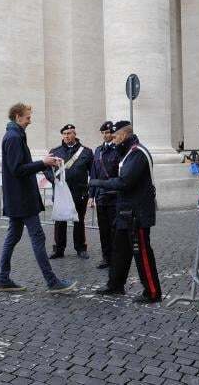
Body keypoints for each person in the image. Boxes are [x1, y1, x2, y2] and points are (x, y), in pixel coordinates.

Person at [0, 103, 75, 293]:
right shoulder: (14, 137)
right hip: (22, 199)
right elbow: (17, 169)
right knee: (37, 237)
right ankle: (52, 281)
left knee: (13, 236)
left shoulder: (15, 136)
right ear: (17, 117)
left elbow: (20, 165)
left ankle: (3, 278)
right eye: (27, 117)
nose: (30, 121)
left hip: (18, 198)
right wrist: (42, 163)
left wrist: (43, 161)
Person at [90, 121, 162, 304]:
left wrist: (98, 183)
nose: (112, 141)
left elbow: (125, 182)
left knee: (142, 252)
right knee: (119, 250)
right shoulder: (127, 153)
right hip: (125, 211)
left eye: (114, 137)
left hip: (137, 213)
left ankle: (152, 292)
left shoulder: (137, 153)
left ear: (123, 135)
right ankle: (115, 284)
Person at [44, 124, 93, 259]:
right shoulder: (55, 151)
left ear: (75, 134)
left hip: (79, 192)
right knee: (60, 221)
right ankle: (58, 249)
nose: (67, 136)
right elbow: (46, 168)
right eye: (64, 133)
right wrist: (53, 180)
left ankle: (81, 248)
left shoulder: (86, 152)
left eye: (69, 133)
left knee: (79, 221)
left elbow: (93, 172)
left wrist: (91, 192)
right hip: (61, 193)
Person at [88, 121, 120, 269]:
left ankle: (116, 257)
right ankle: (106, 257)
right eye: (104, 133)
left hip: (114, 196)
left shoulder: (118, 150)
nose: (106, 135)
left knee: (115, 229)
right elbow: (94, 174)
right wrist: (91, 196)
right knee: (104, 229)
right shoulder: (98, 151)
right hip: (101, 196)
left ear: (113, 133)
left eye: (108, 132)